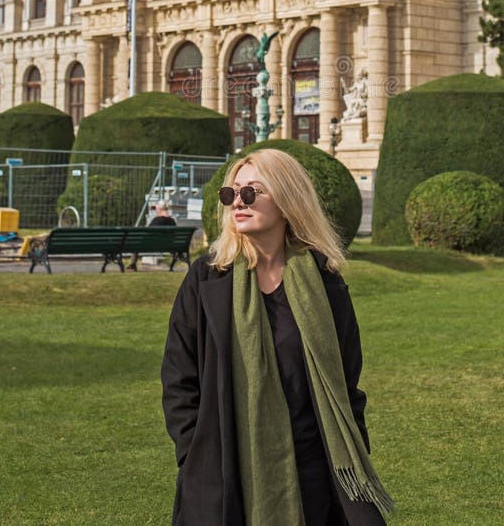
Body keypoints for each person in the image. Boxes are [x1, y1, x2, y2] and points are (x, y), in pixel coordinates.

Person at [161, 148, 393, 526]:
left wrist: (352, 446)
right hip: (226, 464)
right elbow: (178, 380)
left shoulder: (323, 281)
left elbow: (347, 381)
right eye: (231, 193)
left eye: (252, 192)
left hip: (315, 468)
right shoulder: (206, 279)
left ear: (287, 202)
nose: (239, 201)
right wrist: (195, 453)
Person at [126, 200, 176, 271]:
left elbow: (148, 232)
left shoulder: (157, 220)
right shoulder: (172, 221)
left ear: (159, 209)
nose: (156, 210)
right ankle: (171, 267)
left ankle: (133, 264)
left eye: (156, 208)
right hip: (169, 245)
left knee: (136, 243)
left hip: (153, 244)